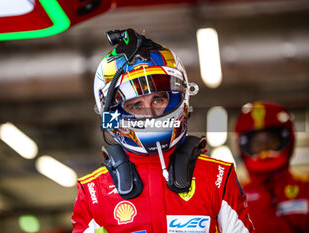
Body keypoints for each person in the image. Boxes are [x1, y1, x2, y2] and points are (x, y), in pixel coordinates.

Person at [71, 28, 255, 233]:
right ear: (111, 113)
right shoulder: (94, 191)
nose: (150, 113)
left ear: (180, 97)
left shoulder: (218, 177)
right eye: (136, 105)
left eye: (158, 99)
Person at [235, 101, 309, 233]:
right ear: (244, 147)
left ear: (285, 140)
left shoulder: (305, 187)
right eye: (256, 143)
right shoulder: (235, 195)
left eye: (271, 141)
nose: (264, 149)